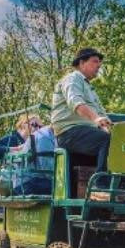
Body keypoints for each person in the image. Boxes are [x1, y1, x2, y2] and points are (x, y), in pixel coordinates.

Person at [51, 47, 112, 199]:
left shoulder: (90, 88)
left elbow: (103, 115)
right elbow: (75, 102)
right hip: (69, 133)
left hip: (84, 134)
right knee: (105, 139)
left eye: (100, 63)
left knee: (117, 141)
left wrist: (109, 125)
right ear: (81, 63)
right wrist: (96, 119)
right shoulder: (73, 78)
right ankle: (100, 187)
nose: (99, 65)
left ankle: (117, 188)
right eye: (95, 61)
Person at [9, 117, 56, 196]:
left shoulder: (48, 136)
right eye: (34, 125)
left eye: (40, 126)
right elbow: (48, 169)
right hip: (26, 184)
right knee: (65, 187)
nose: (37, 127)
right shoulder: (44, 137)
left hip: (33, 181)